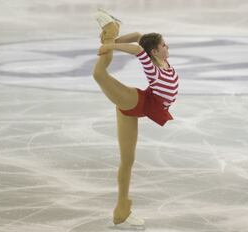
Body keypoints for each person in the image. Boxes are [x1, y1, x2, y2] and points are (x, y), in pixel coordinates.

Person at [92, 9, 179, 229]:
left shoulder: (163, 63)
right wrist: (110, 45)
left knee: (127, 161)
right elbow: (138, 49)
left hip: (133, 111)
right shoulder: (152, 67)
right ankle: (110, 29)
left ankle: (122, 210)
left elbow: (139, 36)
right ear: (156, 51)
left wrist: (115, 40)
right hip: (135, 102)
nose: (167, 47)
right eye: (164, 45)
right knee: (99, 75)